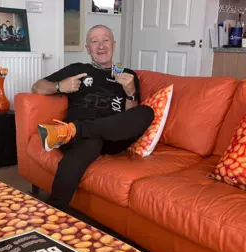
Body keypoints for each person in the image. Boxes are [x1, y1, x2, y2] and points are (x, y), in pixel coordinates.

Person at [31, 25, 154, 210]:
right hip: (84, 138)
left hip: (113, 136)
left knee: (146, 112)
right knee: (91, 142)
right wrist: (59, 86)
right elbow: (37, 86)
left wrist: (130, 93)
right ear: (88, 48)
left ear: (113, 44)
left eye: (105, 40)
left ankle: (70, 130)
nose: (101, 45)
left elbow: (130, 115)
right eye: (94, 41)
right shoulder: (77, 69)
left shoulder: (128, 75)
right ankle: (53, 211)